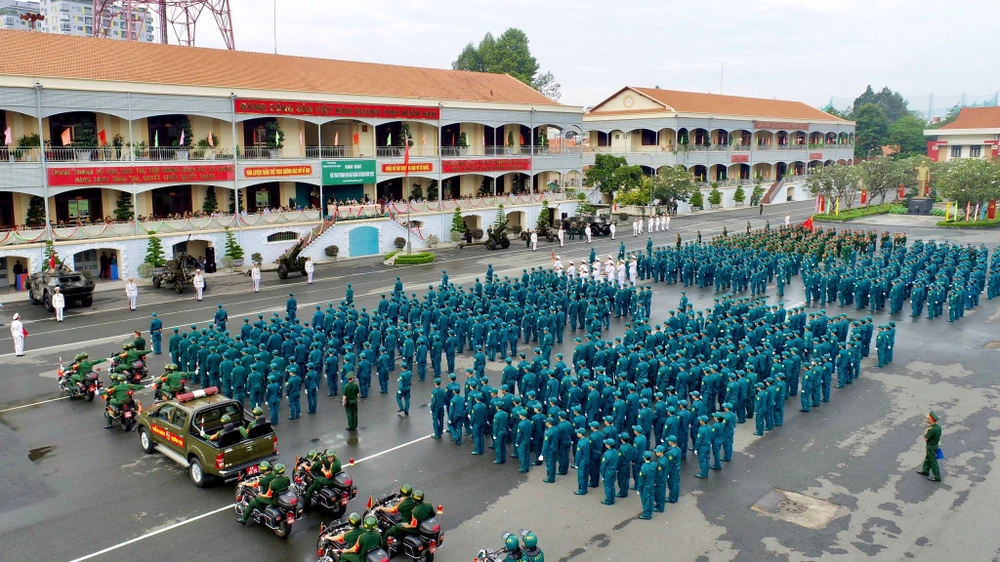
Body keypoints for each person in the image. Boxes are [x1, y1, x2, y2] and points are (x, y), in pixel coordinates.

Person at [917, 411, 943, 482]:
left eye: (928, 418)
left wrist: (926, 432)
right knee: (928, 458)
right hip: (935, 445)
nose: (927, 419)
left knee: (932, 460)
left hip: (931, 446)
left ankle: (937, 476)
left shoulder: (932, 429)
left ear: (931, 420)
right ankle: (925, 470)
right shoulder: (938, 427)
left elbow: (926, 438)